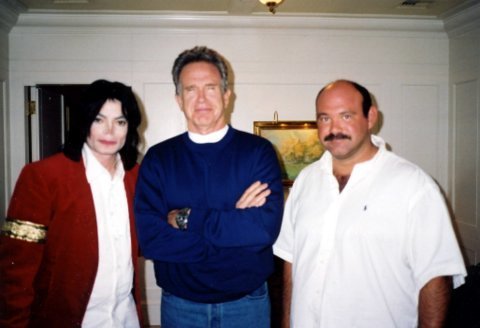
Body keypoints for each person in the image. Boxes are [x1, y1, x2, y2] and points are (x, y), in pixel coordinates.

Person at [273, 79, 467, 327]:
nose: (334, 128)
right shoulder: (305, 181)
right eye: (324, 118)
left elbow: (436, 277)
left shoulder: (414, 186)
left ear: (371, 117)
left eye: (345, 116)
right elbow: (291, 261)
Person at [134, 46, 284, 328]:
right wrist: (233, 227)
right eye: (191, 89)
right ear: (179, 99)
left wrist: (187, 218)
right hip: (180, 306)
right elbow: (151, 240)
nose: (201, 98)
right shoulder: (159, 158)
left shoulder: (258, 152)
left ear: (227, 96)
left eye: (211, 88)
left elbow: (263, 231)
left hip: (247, 304)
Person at [0, 79, 144, 327]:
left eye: (120, 122)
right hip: (69, 319)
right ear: (83, 122)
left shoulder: (138, 176)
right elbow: (16, 269)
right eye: (98, 120)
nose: (109, 131)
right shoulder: (43, 176)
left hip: (125, 318)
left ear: (129, 128)